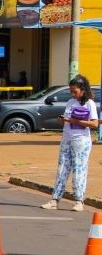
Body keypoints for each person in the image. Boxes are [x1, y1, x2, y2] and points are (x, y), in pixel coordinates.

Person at [40, 75, 99, 212]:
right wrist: (63, 120)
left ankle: (79, 201)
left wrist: (76, 121)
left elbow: (94, 123)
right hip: (66, 139)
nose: (73, 94)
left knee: (79, 170)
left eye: (75, 91)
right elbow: (66, 119)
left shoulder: (89, 103)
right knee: (62, 169)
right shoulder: (70, 102)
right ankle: (55, 200)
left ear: (83, 90)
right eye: (71, 91)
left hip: (81, 141)